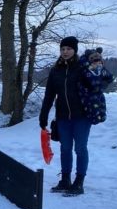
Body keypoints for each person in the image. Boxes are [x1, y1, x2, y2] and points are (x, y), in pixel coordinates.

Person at [39, 36, 90, 195]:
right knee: (65, 148)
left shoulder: (82, 68)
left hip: (82, 116)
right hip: (62, 117)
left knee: (80, 148)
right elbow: (49, 95)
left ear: (74, 50)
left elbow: (98, 84)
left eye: (68, 49)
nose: (65, 52)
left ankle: (79, 182)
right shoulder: (55, 70)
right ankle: (65, 179)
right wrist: (44, 114)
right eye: (62, 49)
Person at [78, 47, 113, 125]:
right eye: (94, 59)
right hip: (88, 94)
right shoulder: (85, 70)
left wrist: (105, 83)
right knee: (92, 107)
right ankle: (93, 118)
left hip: (99, 93)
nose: (96, 61)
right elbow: (81, 80)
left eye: (98, 59)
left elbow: (110, 77)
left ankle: (102, 115)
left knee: (101, 104)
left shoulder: (102, 69)